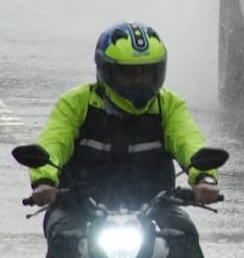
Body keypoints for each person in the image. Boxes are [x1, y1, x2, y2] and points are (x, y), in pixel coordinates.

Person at [26, 22, 221, 258]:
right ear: (105, 70)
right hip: (78, 206)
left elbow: (189, 141)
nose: (139, 81)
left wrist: (204, 178)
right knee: (64, 240)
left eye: (147, 72)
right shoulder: (76, 103)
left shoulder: (168, 105)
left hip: (155, 206)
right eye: (129, 74)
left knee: (184, 236)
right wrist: (44, 181)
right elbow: (53, 142)